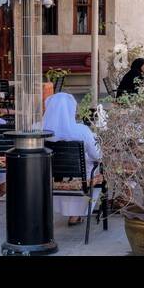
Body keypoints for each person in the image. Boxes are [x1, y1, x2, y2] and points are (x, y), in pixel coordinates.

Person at [41, 91, 102, 225]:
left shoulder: (41, 130)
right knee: (95, 169)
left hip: (51, 177)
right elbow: (97, 156)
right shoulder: (82, 131)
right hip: (82, 180)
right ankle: (77, 212)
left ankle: (69, 211)